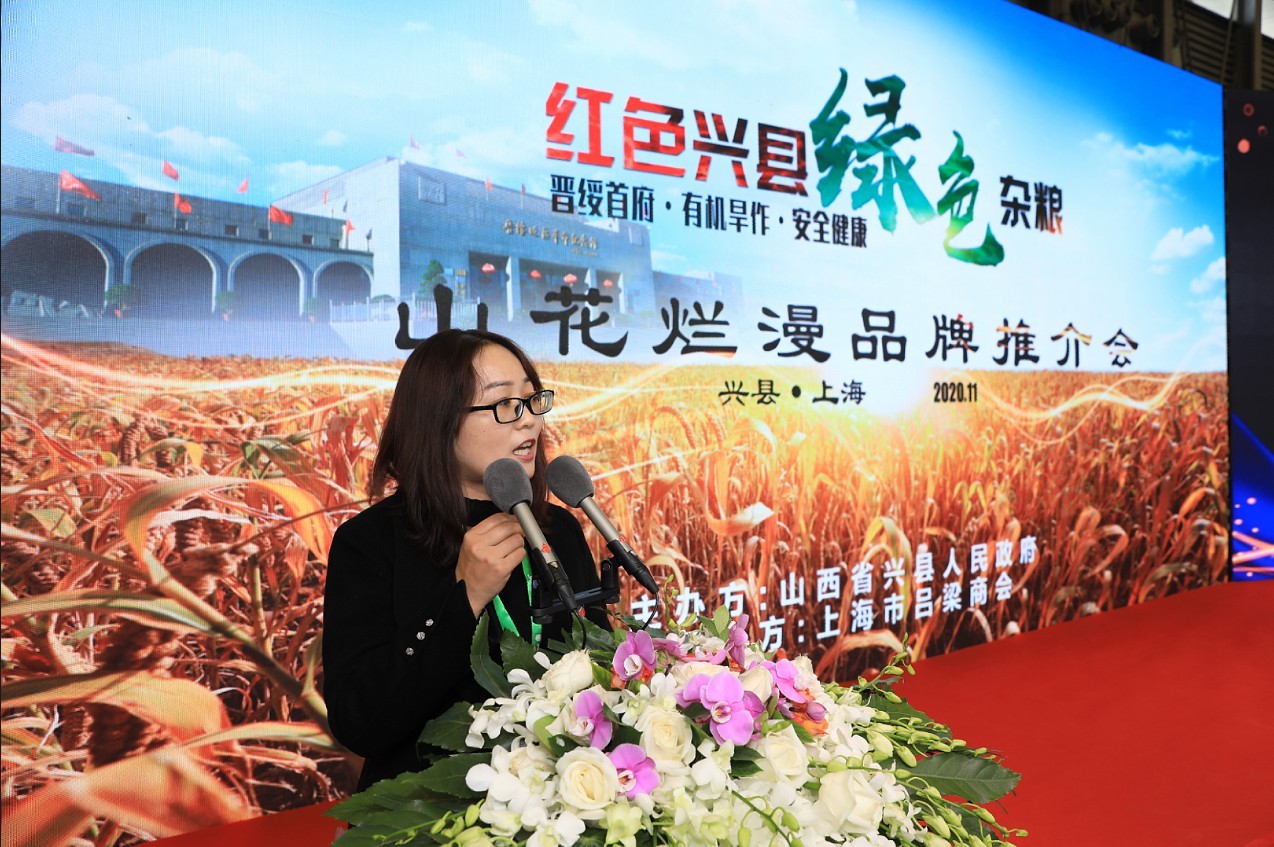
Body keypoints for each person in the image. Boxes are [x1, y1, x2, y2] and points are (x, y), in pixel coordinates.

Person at [322, 329, 609, 790]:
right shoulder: (370, 541)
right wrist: (465, 597)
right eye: (505, 404)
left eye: (532, 400)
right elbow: (359, 722)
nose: (528, 422)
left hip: (560, 799)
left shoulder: (558, 528)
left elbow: (598, 667)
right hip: (428, 808)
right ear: (439, 419)